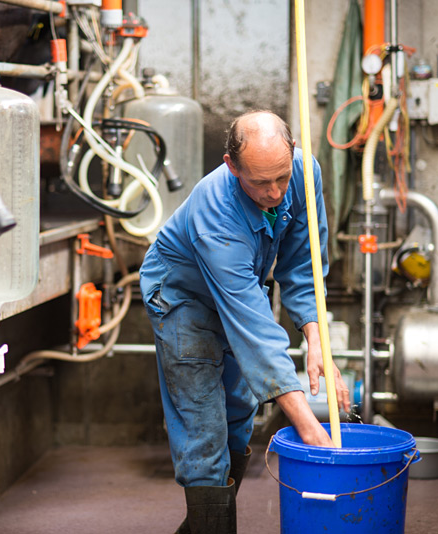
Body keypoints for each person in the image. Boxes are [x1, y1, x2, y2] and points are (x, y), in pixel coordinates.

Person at [139, 111, 350, 533]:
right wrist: (307, 425)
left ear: (291, 155)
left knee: (239, 413)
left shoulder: (304, 172)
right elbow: (253, 326)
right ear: (231, 166)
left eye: (281, 178)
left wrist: (315, 337)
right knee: (204, 428)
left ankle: (203, 525)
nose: (274, 192)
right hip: (184, 300)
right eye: (259, 182)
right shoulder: (215, 214)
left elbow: (304, 263)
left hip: (240, 291)